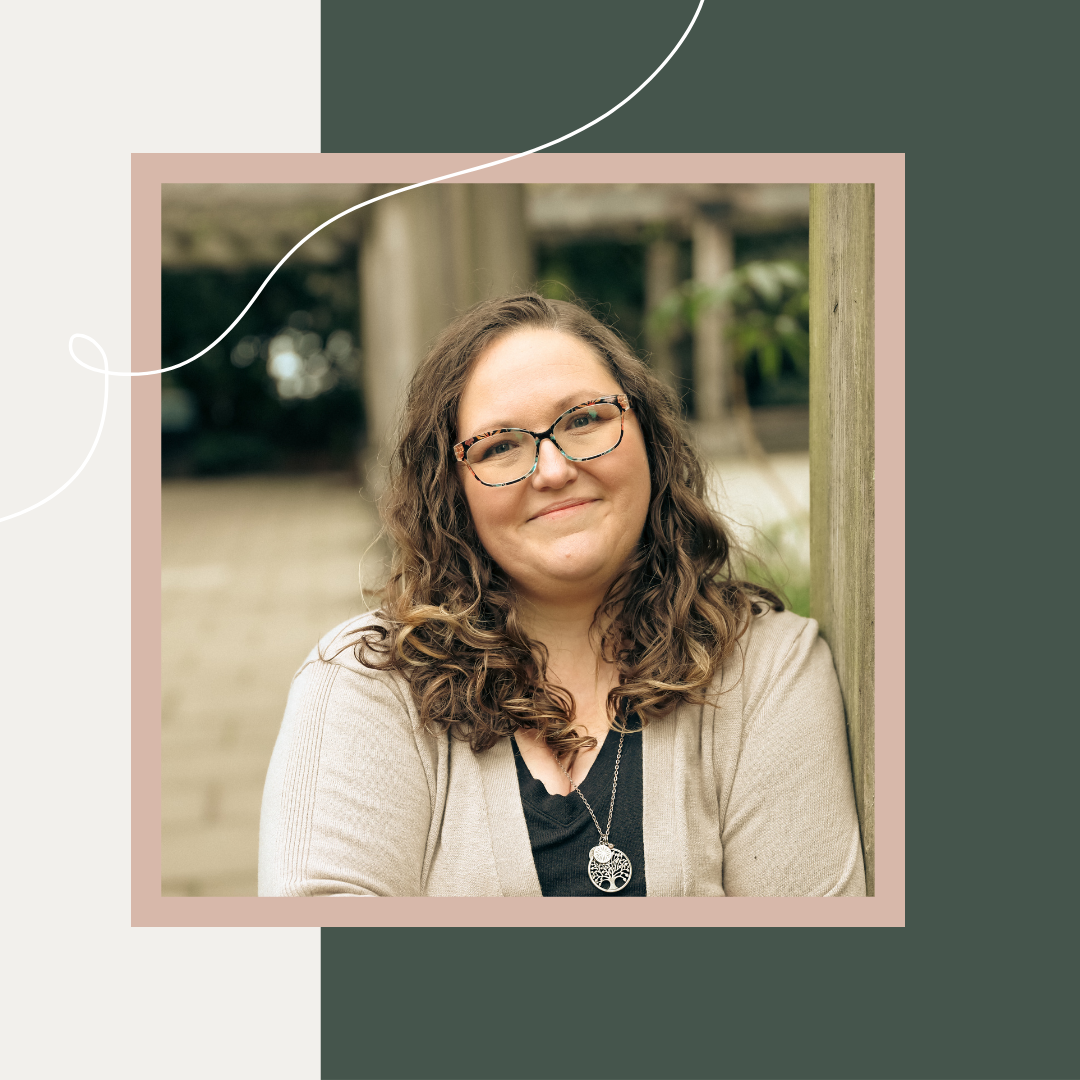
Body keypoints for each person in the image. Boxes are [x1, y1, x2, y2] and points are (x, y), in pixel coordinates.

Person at [258, 293, 865, 897]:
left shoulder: (769, 670)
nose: (551, 470)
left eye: (584, 419)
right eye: (499, 446)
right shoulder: (366, 684)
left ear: (648, 436)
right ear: (451, 491)